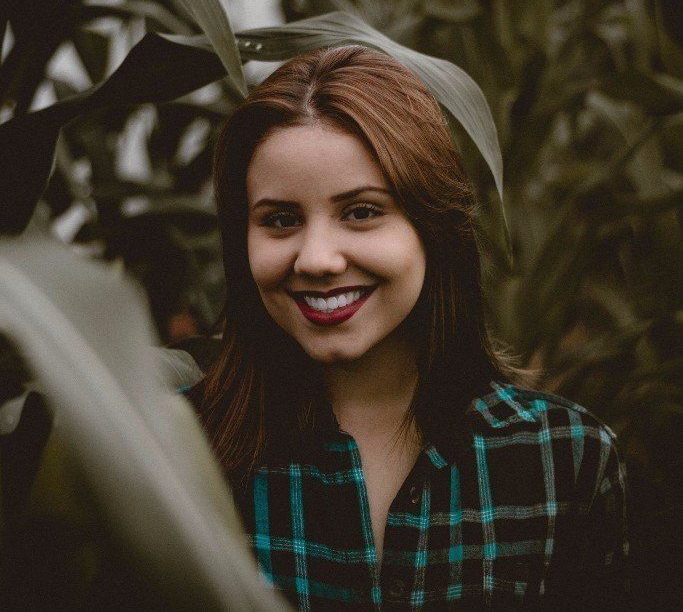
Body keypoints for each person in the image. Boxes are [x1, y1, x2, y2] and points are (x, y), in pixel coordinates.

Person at [182, 45, 628, 609]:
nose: (316, 258)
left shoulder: (565, 461)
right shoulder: (174, 453)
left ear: (434, 226)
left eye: (362, 211)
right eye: (280, 219)